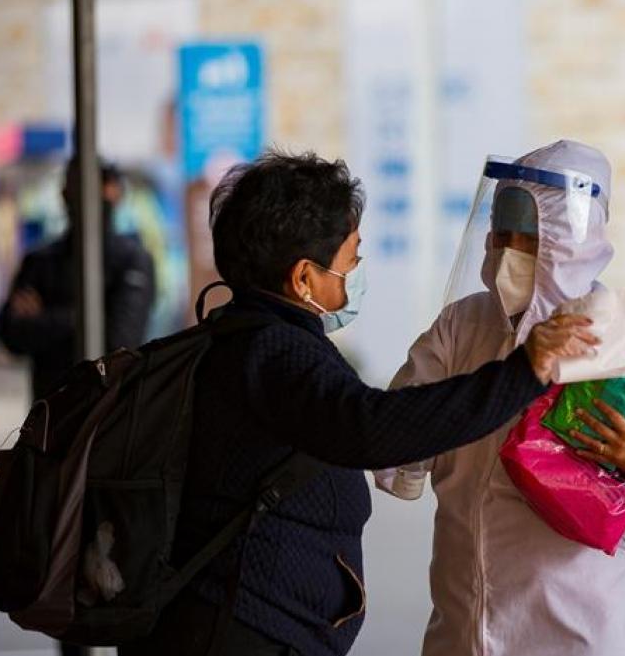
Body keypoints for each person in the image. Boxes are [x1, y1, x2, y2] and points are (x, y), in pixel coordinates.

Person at [119, 151, 598, 656]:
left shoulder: (238, 338)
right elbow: (371, 428)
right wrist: (523, 373)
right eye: (351, 257)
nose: (355, 271)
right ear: (304, 278)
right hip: (234, 629)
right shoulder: (273, 352)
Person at [376, 140, 625, 656]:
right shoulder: (462, 325)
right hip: (462, 628)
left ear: (571, 242)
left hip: (584, 631)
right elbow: (394, 442)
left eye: (527, 235)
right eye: (500, 232)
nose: (506, 248)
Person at [0, 157, 156, 401]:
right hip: (51, 413)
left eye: (90, 187)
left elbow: (120, 339)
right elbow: (8, 332)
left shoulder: (131, 260)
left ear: (113, 193)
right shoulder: (41, 260)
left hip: (111, 412)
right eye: (74, 186)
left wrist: (44, 319)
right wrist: (88, 318)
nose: (80, 197)